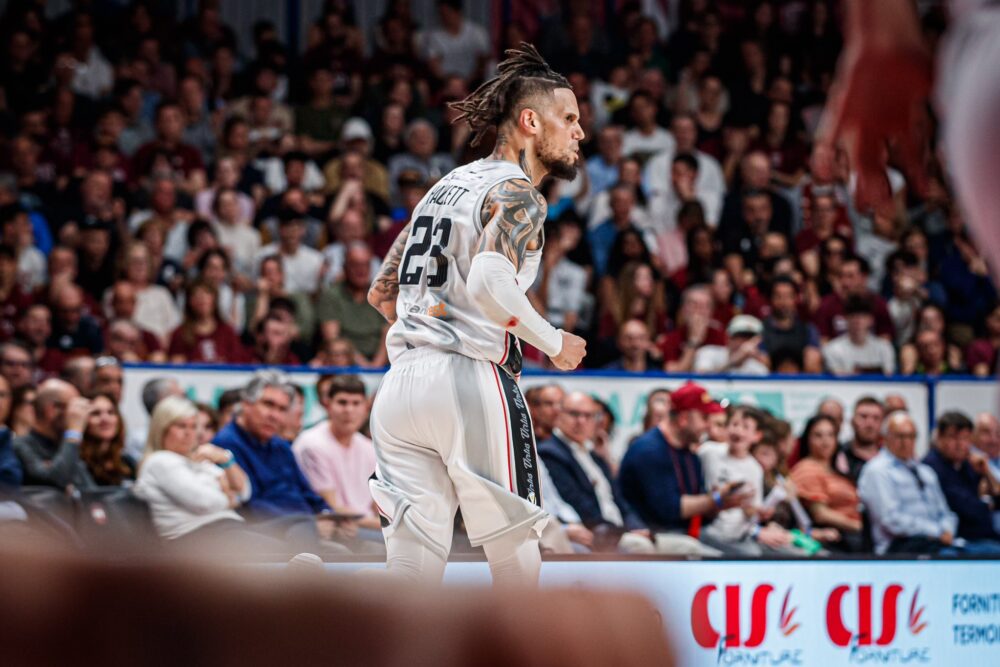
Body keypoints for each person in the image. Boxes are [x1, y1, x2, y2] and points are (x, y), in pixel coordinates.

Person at [364, 44, 587, 585]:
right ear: (531, 121)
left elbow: (381, 291)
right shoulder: (518, 192)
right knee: (516, 558)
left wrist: (435, 323)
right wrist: (554, 341)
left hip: (399, 389)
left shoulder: (444, 186)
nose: (580, 132)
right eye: (571, 118)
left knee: (411, 570)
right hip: (469, 377)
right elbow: (491, 281)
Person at [134, 395, 281, 554]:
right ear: (162, 428)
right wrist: (228, 494)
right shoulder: (160, 461)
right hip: (195, 540)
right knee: (290, 552)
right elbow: (205, 502)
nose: (189, 433)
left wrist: (225, 459)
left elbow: (244, 491)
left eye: (193, 426)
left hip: (227, 531)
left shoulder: (199, 459)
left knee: (298, 524)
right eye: (181, 426)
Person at [619, 382, 748, 556]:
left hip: (680, 535)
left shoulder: (689, 453)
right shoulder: (649, 450)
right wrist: (715, 500)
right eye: (704, 418)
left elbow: (699, 507)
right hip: (649, 535)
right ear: (683, 419)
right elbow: (670, 509)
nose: (707, 426)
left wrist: (721, 503)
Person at [211, 371, 333, 550]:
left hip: (306, 526)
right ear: (246, 404)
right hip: (265, 531)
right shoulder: (225, 444)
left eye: (282, 409)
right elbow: (249, 505)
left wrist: (326, 514)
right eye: (268, 405)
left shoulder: (280, 445)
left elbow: (306, 493)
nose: (274, 415)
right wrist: (310, 520)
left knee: (375, 545)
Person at [538, 392, 649, 553]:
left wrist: (637, 526)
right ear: (559, 415)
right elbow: (577, 503)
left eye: (588, 416)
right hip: (599, 533)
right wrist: (627, 530)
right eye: (574, 414)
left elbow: (620, 501)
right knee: (640, 547)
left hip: (620, 530)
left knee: (686, 546)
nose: (581, 421)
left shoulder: (595, 454)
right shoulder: (551, 453)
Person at [293, 375, 382, 546]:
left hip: (364, 526)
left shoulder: (369, 447)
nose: (349, 410)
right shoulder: (311, 444)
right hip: (333, 528)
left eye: (356, 403)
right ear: (327, 405)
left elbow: (376, 504)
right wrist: (388, 526)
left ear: (366, 407)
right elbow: (331, 508)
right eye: (342, 402)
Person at [700, 407, 798, 556]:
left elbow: (752, 513)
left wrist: (760, 512)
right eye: (734, 424)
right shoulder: (708, 452)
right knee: (752, 555)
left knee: (785, 553)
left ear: (756, 436)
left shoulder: (754, 468)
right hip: (710, 530)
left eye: (745, 427)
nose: (738, 431)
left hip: (739, 535)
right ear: (726, 428)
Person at [858, 412, 960, 555]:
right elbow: (891, 520)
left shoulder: (926, 472)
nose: (906, 442)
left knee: (984, 551)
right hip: (899, 547)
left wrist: (947, 530)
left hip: (936, 541)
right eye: (900, 436)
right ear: (885, 438)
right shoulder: (877, 471)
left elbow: (945, 512)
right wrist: (935, 531)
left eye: (911, 436)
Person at [923, 411, 1000, 548]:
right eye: (953, 438)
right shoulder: (931, 466)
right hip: (960, 541)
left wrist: (987, 472)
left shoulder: (969, 464)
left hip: (984, 537)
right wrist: (987, 503)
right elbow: (966, 508)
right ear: (939, 438)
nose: (960, 444)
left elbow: (998, 499)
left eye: (965, 438)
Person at [790, 415, 864, 551]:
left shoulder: (837, 469)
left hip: (853, 533)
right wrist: (857, 526)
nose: (826, 441)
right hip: (836, 537)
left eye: (831, 435)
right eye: (818, 436)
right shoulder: (807, 469)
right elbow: (820, 514)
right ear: (807, 440)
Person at [13, 379, 94, 491]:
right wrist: (74, 432)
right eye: (74, 409)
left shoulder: (65, 446)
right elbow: (56, 480)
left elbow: (91, 492)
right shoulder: (20, 445)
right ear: (52, 410)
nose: (80, 416)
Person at [80, 393, 135, 487]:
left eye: (111, 412)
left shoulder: (126, 461)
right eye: (96, 413)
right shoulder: (79, 462)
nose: (105, 419)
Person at [836, 396, 884, 484]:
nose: (870, 424)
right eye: (863, 417)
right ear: (852, 421)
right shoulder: (838, 454)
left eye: (876, 418)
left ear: (882, 423)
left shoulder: (891, 456)